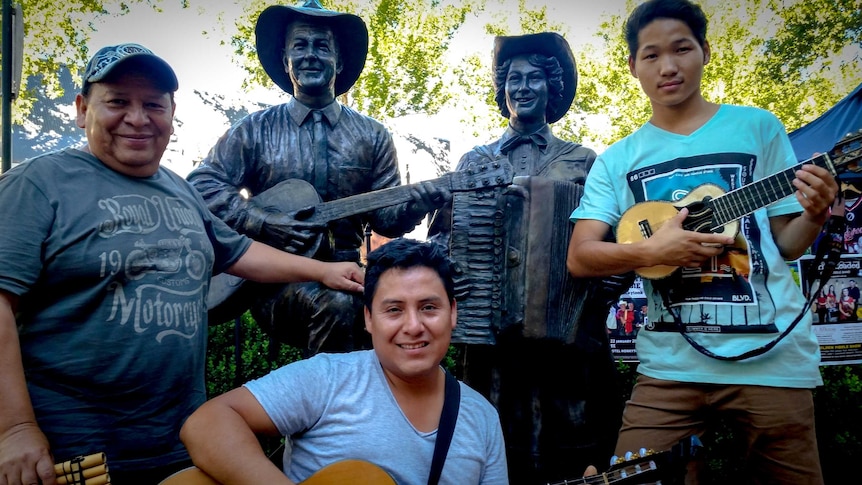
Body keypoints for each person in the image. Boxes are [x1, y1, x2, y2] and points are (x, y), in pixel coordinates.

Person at [0, 43, 367, 485]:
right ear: (82, 110)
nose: (138, 118)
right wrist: (14, 429)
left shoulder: (179, 189)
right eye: (117, 102)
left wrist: (323, 271)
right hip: (73, 454)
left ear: (171, 115)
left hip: (179, 446)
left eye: (153, 104)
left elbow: (239, 253)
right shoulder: (36, 184)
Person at [566, 0, 837, 483]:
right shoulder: (617, 159)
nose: (668, 66)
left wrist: (815, 213)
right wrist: (651, 253)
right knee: (633, 477)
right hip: (669, 367)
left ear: (705, 52)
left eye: (681, 49)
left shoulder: (758, 127)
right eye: (651, 55)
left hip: (771, 362)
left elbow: (789, 244)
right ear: (633, 66)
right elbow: (582, 256)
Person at [186, 0, 447, 356]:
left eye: (322, 46)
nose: (311, 55)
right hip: (276, 282)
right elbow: (202, 185)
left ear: (338, 61)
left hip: (351, 274)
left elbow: (386, 218)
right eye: (300, 45)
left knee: (417, 305)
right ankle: (331, 409)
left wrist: (420, 204)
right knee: (338, 304)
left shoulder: (372, 135)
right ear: (285, 59)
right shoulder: (254, 130)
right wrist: (260, 221)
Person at [428, 32, 630, 483]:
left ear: (551, 88)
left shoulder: (582, 160)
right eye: (513, 78)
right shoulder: (474, 161)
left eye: (534, 77)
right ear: (502, 90)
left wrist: (589, 301)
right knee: (495, 440)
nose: (522, 86)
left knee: (575, 443)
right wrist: (451, 271)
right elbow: (442, 236)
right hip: (492, 338)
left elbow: (617, 244)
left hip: (571, 341)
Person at [179, 238, 509, 484]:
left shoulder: (481, 420)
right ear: (368, 318)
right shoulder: (328, 379)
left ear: (453, 313)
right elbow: (206, 423)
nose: (413, 326)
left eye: (429, 308)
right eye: (394, 310)